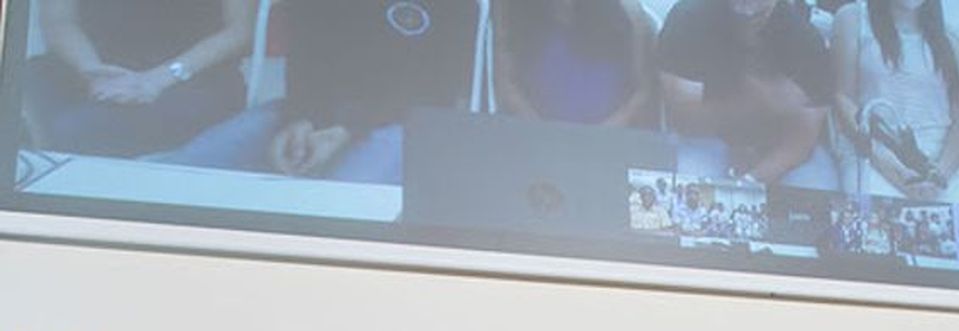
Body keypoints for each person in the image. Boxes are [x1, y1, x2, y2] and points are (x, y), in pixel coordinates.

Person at [163, 0, 479, 185]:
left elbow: (437, 90)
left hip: (400, 123)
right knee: (179, 174)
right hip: (310, 112)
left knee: (341, 201)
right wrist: (301, 119)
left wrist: (348, 128)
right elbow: (306, 61)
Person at [23, 0, 251, 157]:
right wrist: (91, 70)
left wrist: (156, 80)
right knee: (22, 91)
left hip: (190, 73)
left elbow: (240, 31)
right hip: (91, 65)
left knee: (78, 128)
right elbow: (60, 21)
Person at [657, 0, 840, 188]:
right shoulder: (689, 19)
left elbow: (802, 140)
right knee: (689, 183)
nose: (747, 11)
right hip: (705, 138)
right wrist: (757, 102)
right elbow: (684, 120)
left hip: (779, 146)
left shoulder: (806, 41)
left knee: (816, 186)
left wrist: (751, 181)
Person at [830, 0, 959, 204]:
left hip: (948, 166)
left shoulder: (955, 38)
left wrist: (938, 174)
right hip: (872, 156)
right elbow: (843, 98)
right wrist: (892, 168)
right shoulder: (852, 19)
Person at [493, 0, 658, 128]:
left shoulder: (628, 13)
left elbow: (642, 92)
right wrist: (543, 132)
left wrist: (600, 134)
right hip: (533, 136)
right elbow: (506, 84)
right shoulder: (509, 9)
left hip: (609, 138)